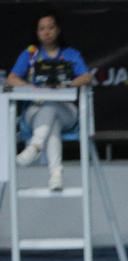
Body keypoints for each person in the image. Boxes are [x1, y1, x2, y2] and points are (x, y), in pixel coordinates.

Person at [6, 9, 91, 191]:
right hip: (34, 112)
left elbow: (87, 77)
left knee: (51, 106)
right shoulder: (30, 54)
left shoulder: (70, 54)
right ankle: (56, 174)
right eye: (42, 28)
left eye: (51, 27)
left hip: (66, 111)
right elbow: (11, 78)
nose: (47, 32)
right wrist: (33, 88)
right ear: (37, 32)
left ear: (58, 30)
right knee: (51, 119)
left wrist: (68, 84)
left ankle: (34, 147)